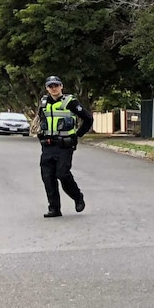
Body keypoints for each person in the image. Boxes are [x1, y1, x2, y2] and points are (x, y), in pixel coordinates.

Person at [37, 75, 93, 218]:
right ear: (47, 88)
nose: (53, 88)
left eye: (56, 85)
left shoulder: (70, 102)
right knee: (48, 177)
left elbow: (88, 119)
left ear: (61, 86)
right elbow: (41, 120)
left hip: (64, 146)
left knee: (62, 174)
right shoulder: (43, 103)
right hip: (47, 146)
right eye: (50, 86)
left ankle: (78, 197)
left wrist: (77, 135)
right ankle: (54, 208)